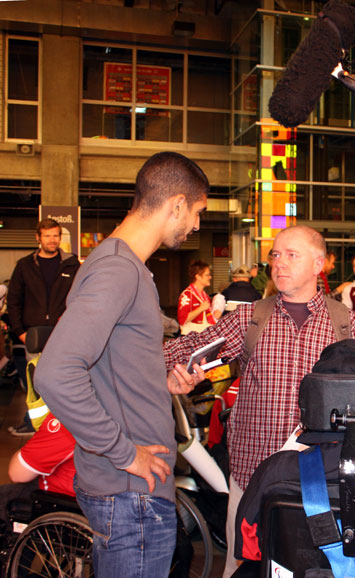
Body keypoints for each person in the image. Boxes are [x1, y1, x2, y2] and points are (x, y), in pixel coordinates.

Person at [34, 151, 209, 578]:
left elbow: (104, 364)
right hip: (131, 494)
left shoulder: (122, 265)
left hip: (130, 493)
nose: (198, 226)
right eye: (198, 212)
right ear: (177, 204)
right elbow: (55, 374)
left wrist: (160, 381)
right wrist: (125, 453)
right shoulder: (118, 269)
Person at [162, 225, 355, 578]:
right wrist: (163, 365)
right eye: (275, 255)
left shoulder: (347, 325)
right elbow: (185, 351)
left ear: (319, 265)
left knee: (310, 566)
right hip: (252, 469)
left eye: (291, 255)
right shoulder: (250, 318)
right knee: (241, 565)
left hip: (317, 477)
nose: (279, 263)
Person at [6, 218, 80, 435]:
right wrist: (20, 332)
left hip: (63, 335)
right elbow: (14, 301)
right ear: (38, 238)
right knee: (36, 382)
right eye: (47, 236)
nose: (52, 240)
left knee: (63, 380)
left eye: (56, 235)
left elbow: (79, 298)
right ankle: (33, 424)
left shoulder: (71, 264)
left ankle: (62, 425)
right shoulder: (25, 265)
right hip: (33, 335)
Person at [178, 259, 221, 334]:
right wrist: (200, 308)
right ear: (198, 277)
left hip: (202, 336)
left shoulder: (205, 295)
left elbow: (206, 317)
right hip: (190, 337)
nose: (210, 277)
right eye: (207, 275)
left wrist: (216, 316)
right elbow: (182, 320)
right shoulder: (187, 295)